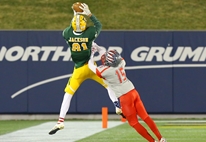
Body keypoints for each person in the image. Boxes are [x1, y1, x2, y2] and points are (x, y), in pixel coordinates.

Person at [48, 3, 122, 135]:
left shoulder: (66, 33)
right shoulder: (90, 34)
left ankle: (60, 121)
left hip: (79, 69)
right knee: (109, 86)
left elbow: (73, 29)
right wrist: (89, 14)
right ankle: (117, 105)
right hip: (92, 67)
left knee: (68, 95)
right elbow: (98, 26)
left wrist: (75, 15)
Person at [88, 48, 167, 142]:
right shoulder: (121, 62)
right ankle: (161, 138)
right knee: (145, 117)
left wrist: (92, 53)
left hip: (125, 97)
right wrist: (98, 48)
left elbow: (90, 65)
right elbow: (113, 58)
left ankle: (152, 141)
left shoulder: (105, 71)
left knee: (133, 122)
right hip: (133, 92)